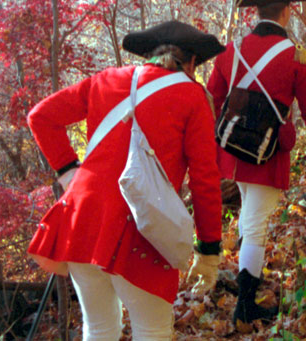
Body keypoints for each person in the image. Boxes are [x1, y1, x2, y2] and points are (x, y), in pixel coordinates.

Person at [27, 20, 225, 340]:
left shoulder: (105, 79)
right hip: (141, 228)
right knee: (153, 330)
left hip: (82, 223)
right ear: (190, 63)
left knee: (100, 328)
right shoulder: (193, 96)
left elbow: (40, 116)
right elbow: (205, 179)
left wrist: (68, 171)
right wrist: (209, 247)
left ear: (149, 55)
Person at [207, 0, 306, 325]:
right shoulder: (295, 54)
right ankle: (245, 306)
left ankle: (245, 279)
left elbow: (215, 94)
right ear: (287, 12)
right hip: (267, 150)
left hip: (232, 146)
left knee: (249, 216)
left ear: (256, 13)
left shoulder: (231, 49)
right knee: (256, 223)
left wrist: (229, 126)